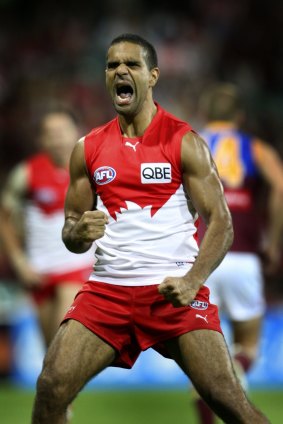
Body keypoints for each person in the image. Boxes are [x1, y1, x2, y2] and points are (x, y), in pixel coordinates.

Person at [31, 34, 269, 424]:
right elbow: (70, 232)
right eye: (112, 65)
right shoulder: (87, 148)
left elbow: (222, 224)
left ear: (153, 75)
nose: (120, 71)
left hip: (172, 293)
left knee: (228, 401)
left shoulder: (184, 141)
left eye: (132, 64)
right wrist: (78, 232)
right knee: (51, 386)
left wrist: (193, 281)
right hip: (107, 293)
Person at [192, 82, 283, 424]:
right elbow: (280, 187)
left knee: (201, 358)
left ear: (205, 114)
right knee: (248, 347)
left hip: (200, 260)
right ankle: (235, 373)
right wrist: (272, 241)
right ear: (240, 117)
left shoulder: (191, 142)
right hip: (243, 253)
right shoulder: (255, 148)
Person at [0, 106, 94, 347]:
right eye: (50, 133)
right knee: (51, 350)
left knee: (62, 341)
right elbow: (4, 216)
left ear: (77, 132)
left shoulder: (92, 169)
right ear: (41, 139)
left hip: (76, 266)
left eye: (62, 131)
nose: (58, 138)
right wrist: (18, 260)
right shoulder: (26, 173)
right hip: (39, 271)